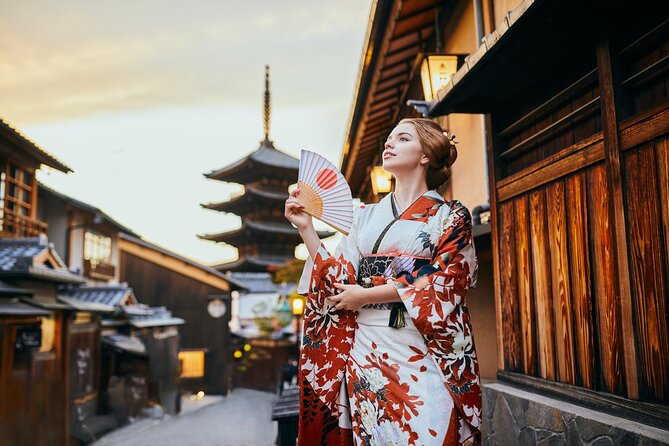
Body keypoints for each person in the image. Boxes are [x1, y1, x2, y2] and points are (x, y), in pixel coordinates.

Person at [284, 118, 481, 446]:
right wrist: (306, 229)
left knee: (432, 432)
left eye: (402, 138)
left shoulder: (452, 216)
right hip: (368, 352)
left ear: (425, 155)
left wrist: (367, 295)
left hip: (422, 345)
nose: (389, 144)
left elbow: (448, 278)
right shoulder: (364, 216)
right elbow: (338, 279)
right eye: (389, 139)